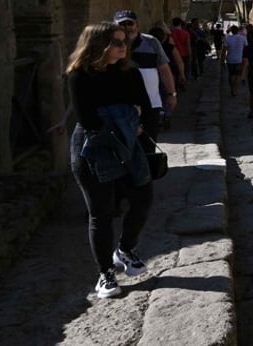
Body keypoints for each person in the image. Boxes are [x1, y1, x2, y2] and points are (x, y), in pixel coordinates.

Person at [67, 21, 154, 299]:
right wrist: (128, 120)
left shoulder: (130, 73)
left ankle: (125, 249)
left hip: (128, 144)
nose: (123, 46)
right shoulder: (80, 75)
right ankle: (105, 273)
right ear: (98, 46)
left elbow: (144, 108)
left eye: (124, 41)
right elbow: (88, 119)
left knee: (143, 198)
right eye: (116, 42)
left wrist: (135, 124)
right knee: (101, 212)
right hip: (95, 147)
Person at [114, 10, 177, 150]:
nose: (126, 27)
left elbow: (164, 69)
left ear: (137, 24)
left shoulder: (151, 42)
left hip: (150, 104)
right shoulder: (111, 46)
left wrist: (171, 94)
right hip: (122, 105)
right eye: (121, 24)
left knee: (148, 144)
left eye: (129, 23)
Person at [148, 22, 183, 130]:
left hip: (152, 78)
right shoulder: (170, 47)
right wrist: (182, 75)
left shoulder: (146, 47)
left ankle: (159, 115)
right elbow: (179, 62)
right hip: (170, 75)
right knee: (169, 97)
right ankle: (166, 116)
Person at [220, 25, 248, 96]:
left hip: (230, 59)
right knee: (238, 75)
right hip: (239, 59)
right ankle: (235, 89)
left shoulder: (228, 38)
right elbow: (246, 49)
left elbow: (224, 50)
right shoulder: (243, 38)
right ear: (238, 30)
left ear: (231, 31)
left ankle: (232, 89)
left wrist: (222, 61)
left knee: (231, 75)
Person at [169, 18, 192, 85]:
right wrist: (190, 55)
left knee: (174, 71)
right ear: (180, 24)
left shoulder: (170, 32)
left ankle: (174, 85)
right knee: (182, 70)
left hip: (172, 54)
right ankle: (181, 83)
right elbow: (188, 45)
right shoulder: (185, 33)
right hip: (183, 54)